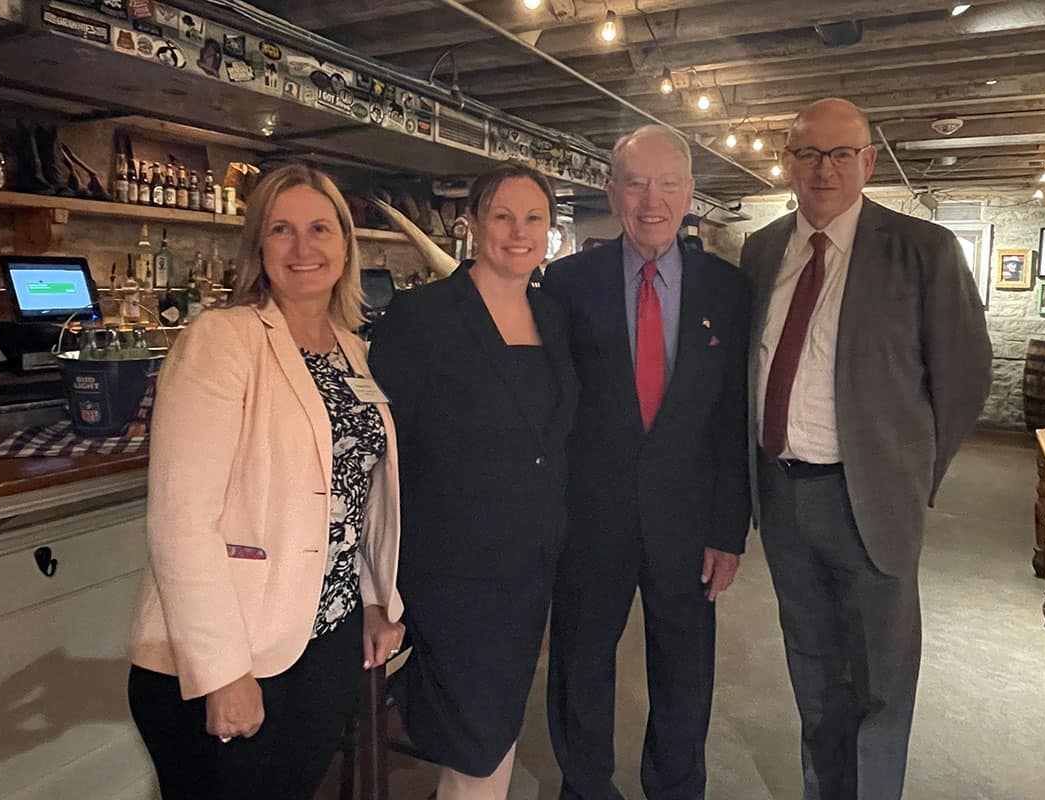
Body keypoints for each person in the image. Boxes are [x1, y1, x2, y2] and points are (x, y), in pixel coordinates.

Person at [127, 163, 405, 800]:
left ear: (345, 245)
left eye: (320, 229)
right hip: (233, 651)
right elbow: (180, 519)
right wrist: (222, 672)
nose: (303, 248)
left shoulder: (351, 349)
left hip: (324, 642)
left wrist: (369, 598)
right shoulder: (220, 341)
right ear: (257, 246)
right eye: (281, 230)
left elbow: (352, 498)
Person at [741, 98, 992, 800]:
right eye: (808, 154)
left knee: (882, 680)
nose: (824, 170)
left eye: (840, 154)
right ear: (787, 162)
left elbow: (966, 378)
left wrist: (913, 478)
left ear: (868, 162)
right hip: (784, 499)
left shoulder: (923, 250)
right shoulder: (762, 251)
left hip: (872, 503)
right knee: (815, 672)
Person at [541, 125, 751, 800]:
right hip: (590, 520)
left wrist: (728, 530)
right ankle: (585, 787)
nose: (650, 200)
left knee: (685, 674)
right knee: (579, 667)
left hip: (687, 525)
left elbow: (731, 420)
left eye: (667, 183)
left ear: (691, 194)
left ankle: (676, 788)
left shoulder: (727, 291)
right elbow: (550, 409)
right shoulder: (568, 284)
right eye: (634, 182)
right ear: (612, 191)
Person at [369, 163, 578, 799]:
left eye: (533, 219)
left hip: (530, 560)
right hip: (452, 566)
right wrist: (377, 580)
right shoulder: (422, 317)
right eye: (503, 217)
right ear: (473, 226)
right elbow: (383, 454)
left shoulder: (554, 315)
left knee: (500, 716)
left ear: (549, 231)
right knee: (475, 728)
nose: (519, 232)